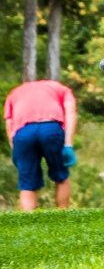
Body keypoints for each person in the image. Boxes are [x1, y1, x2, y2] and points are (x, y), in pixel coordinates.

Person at [4, 80, 77, 211]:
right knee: (61, 175)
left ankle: (28, 220)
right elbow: (70, 110)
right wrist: (68, 145)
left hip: (22, 133)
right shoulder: (63, 89)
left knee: (27, 182)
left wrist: (16, 149)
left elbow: (9, 124)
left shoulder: (15, 92)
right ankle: (63, 213)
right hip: (51, 127)